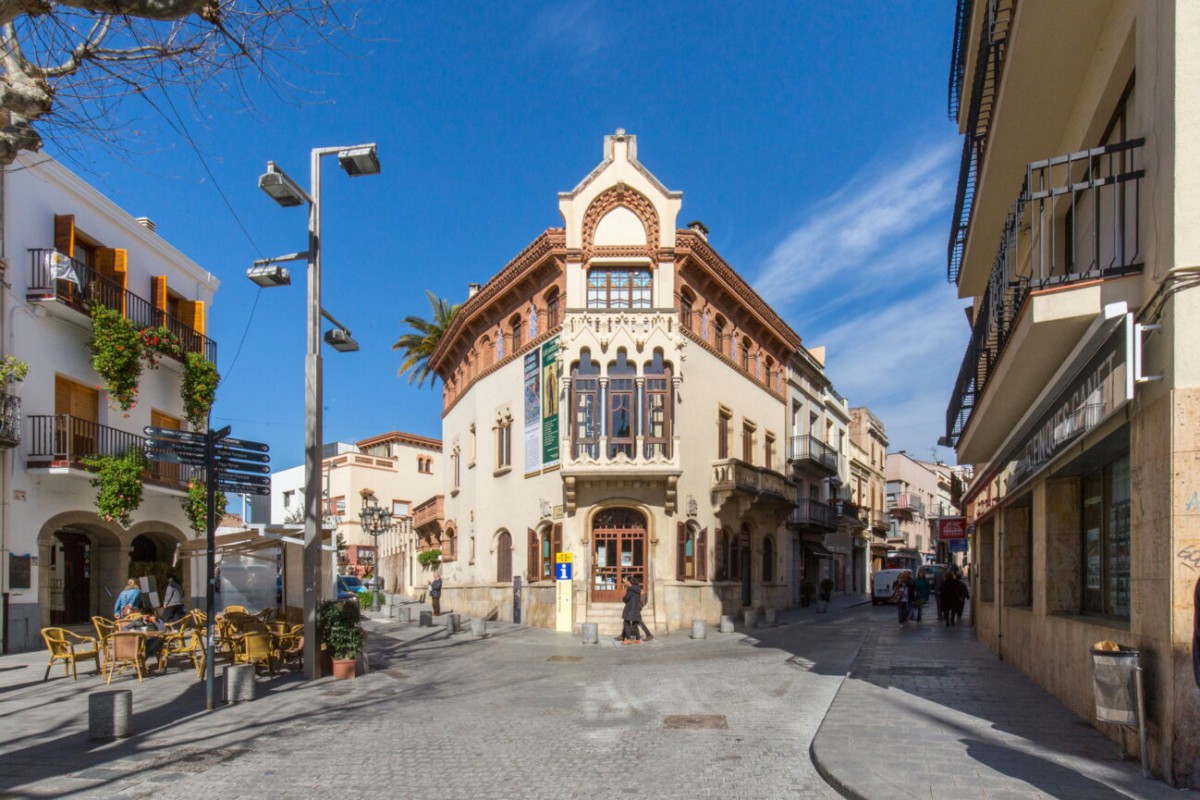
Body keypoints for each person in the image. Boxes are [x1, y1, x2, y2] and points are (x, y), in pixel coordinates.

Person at [620, 575, 642, 643]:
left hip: (630, 608)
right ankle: (637, 639)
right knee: (635, 623)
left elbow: (626, 598)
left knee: (626, 622)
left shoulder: (630, 589)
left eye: (625, 580)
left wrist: (623, 598)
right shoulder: (638, 588)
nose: (624, 581)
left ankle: (628, 639)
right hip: (636, 608)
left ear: (629, 581)